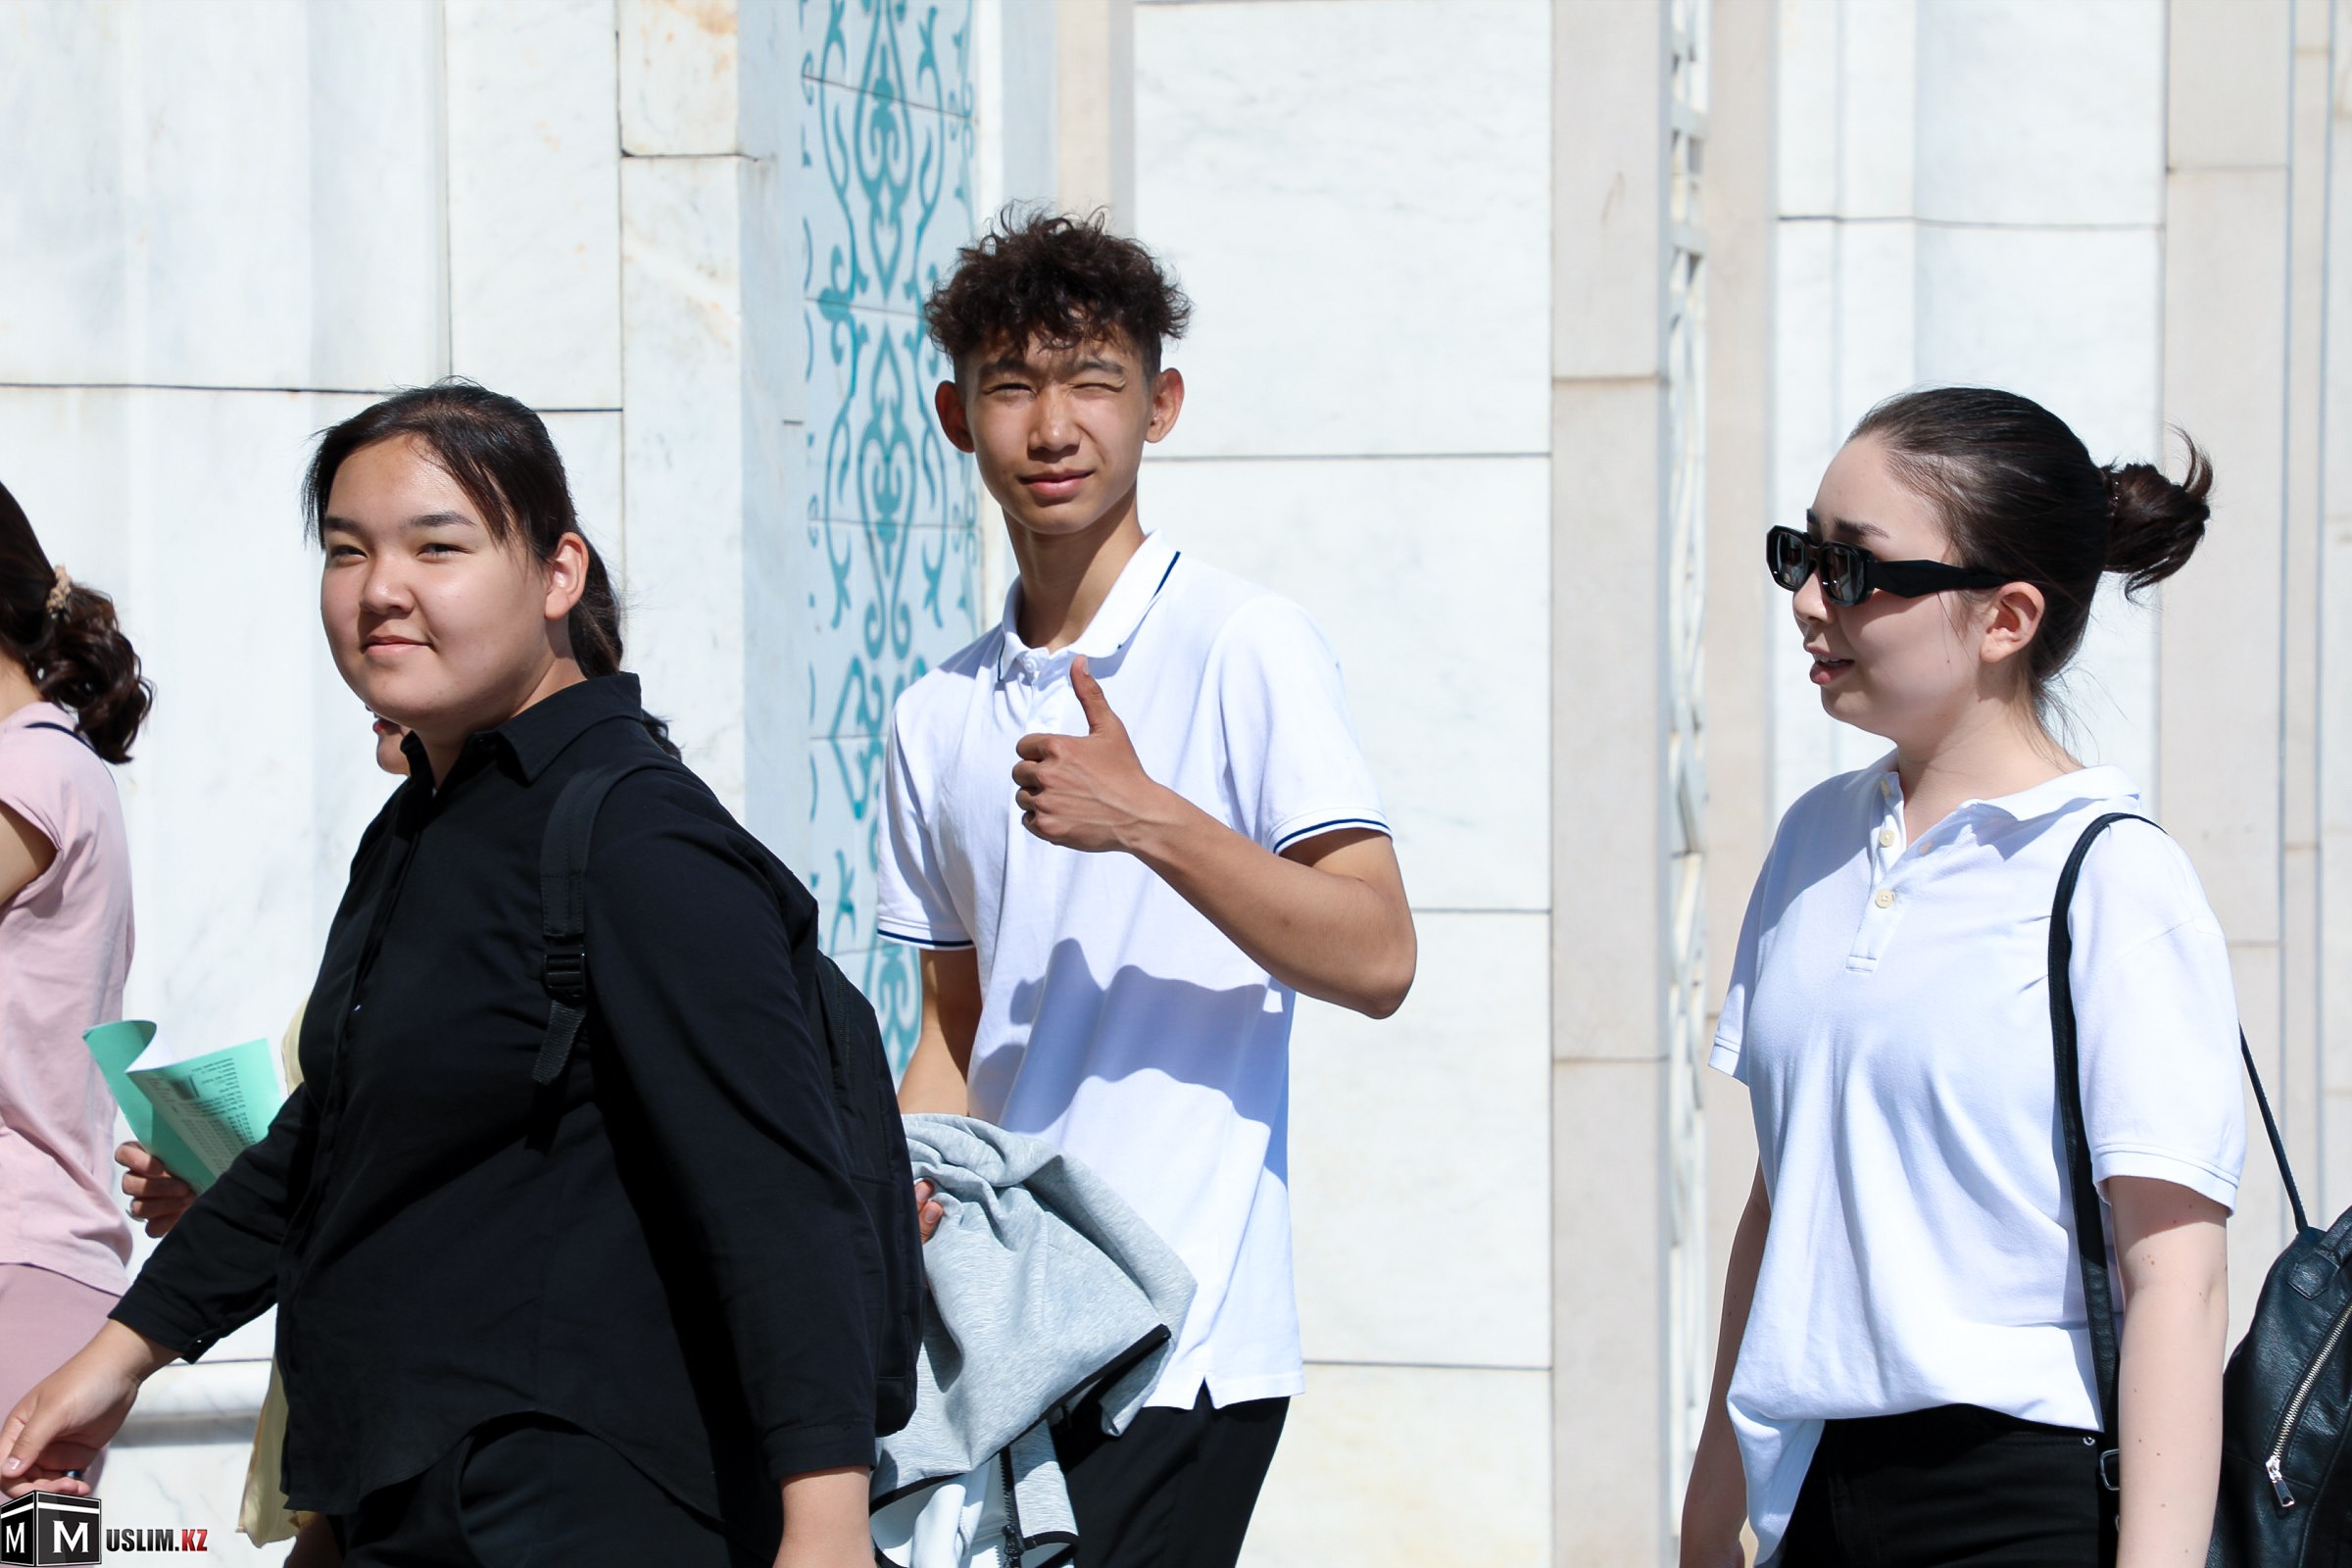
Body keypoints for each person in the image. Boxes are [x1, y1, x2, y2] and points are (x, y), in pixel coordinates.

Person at [3, 381, 888, 1568]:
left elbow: (774, 1194)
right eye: (347, 550)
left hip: (583, 1497)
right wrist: (124, 1358)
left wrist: (824, 1526)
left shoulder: (639, 837)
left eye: (438, 546)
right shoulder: (420, 827)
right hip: (402, 1486)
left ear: (558, 573)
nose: (381, 589)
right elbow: (332, 1142)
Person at [886, 211, 1417, 1568]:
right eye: (1012, 386)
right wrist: (891, 1207)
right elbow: (953, 1022)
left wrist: (1147, 819)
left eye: (1094, 382)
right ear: (956, 417)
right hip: (1004, 1318)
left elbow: (1377, 955)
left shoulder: (1244, 643)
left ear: (1160, 405)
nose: (1053, 426)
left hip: (1183, 1330)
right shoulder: (934, 713)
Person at [1679, 387, 2243, 1568]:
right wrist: (1707, 1507)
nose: (1808, 599)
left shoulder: (2113, 878)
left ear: (2006, 618)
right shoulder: (1813, 841)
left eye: (1853, 567)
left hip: (2015, 1497)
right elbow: (1785, 1197)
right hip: (1808, 1489)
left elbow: (2176, 1278)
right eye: (1800, 553)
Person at [117, 710, 412, 1568]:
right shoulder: (396, 853)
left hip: (445, 1424)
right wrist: (225, 1200)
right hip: (349, 1402)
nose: (371, 665)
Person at [0, 479, 151, 1489]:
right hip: (40, 1266)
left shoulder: (30, 774)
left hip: (19, 1264)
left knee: (32, 1553)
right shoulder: (51, 763)